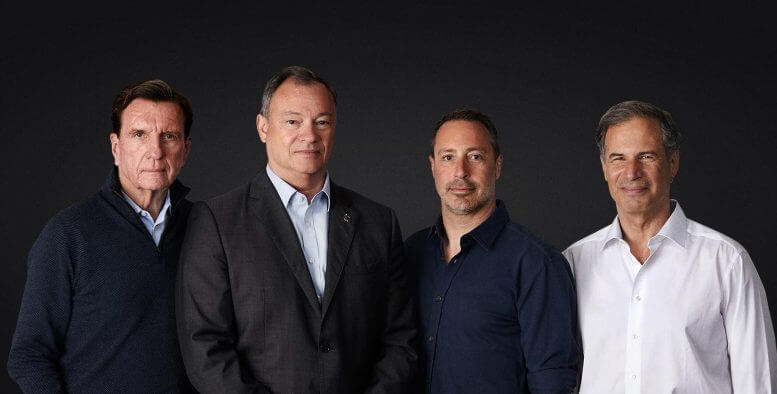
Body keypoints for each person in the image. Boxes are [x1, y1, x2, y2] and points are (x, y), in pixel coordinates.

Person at [176, 66, 417, 393]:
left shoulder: (378, 222)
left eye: (322, 121)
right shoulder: (217, 221)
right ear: (263, 127)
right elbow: (205, 346)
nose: (310, 135)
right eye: (292, 121)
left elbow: (401, 340)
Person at [564, 100, 777, 393]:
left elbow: (756, 381)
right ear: (603, 168)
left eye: (646, 156)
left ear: (672, 163)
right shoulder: (573, 263)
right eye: (618, 158)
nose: (631, 172)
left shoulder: (726, 261)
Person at [8, 80, 195, 392]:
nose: (155, 151)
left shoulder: (203, 226)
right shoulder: (68, 234)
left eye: (169, 136)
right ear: (116, 147)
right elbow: (29, 355)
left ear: (185, 149)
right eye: (139, 135)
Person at [404, 108, 580, 393]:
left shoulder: (536, 263)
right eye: (448, 157)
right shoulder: (411, 254)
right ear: (433, 166)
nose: (461, 172)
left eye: (475, 156)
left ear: (497, 165)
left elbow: (553, 380)